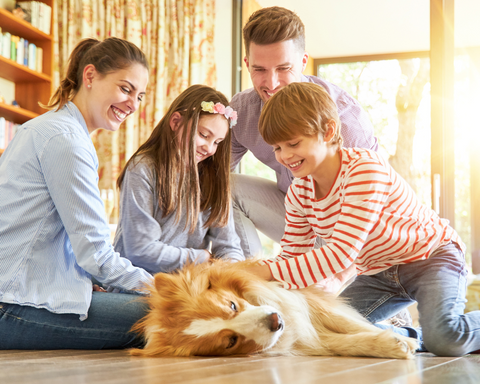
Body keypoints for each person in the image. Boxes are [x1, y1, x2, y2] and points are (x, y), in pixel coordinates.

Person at [246, 81, 480, 357]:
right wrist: (262, 275)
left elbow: (341, 254)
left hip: (430, 256)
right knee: (328, 329)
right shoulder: (300, 193)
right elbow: (292, 256)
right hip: (379, 273)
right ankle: (414, 337)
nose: (284, 156)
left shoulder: (365, 168)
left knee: (446, 338)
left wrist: (267, 271)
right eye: (277, 148)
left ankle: (438, 333)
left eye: (294, 143)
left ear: (329, 131)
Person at [0, 37, 153, 350]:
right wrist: (165, 287)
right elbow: (96, 254)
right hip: (13, 306)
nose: (133, 104)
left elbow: (71, 247)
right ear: (90, 76)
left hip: (16, 295)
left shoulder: (48, 128)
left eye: (140, 96)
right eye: (125, 89)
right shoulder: (66, 140)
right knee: (170, 314)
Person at [230, 6, 378, 257]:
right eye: (260, 70)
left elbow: (373, 204)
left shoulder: (346, 120)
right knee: (223, 186)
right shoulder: (241, 112)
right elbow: (210, 180)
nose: (272, 83)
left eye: (284, 68)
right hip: (293, 215)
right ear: (247, 65)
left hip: (348, 234)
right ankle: (245, 278)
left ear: (303, 62)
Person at [114, 85, 245, 273]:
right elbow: (140, 250)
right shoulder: (142, 169)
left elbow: (229, 247)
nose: (209, 148)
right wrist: (202, 258)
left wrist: (231, 274)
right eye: (203, 135)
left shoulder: (212, 179)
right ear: (176, 122)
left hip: (186, 285)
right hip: (136, 284)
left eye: (217, 142)